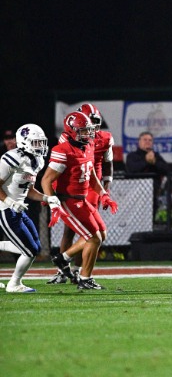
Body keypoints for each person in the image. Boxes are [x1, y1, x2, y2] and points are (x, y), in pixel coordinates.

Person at [42, 111, 118, 290]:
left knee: (102, 234)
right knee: (93, 238)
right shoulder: (63, 150)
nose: (88, 134)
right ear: (71, 130)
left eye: (89, 130)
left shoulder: (89, 146)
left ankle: (64, 258)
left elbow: (92, 177)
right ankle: (85, 279)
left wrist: (104, 195)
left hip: (82, 199)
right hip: (68, 200)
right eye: (83, 130)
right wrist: (53, 204)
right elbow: (46, 180)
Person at [0, 125, 62, 292]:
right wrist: (11, 202)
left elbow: (29, 190)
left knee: (34, 246)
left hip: (19, 209)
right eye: (35, 142)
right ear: (24, 142)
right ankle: (14, 284)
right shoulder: (12, 158)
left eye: (41, 142)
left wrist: (47, 198)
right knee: (30, 250)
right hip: (5, 209)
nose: (40, 146)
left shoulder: (37, 160)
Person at [126, 131, 170, 218]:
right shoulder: (132, 156)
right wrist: (146, 161)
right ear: (139, 142)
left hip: (153, 193)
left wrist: (155, 162)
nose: (147, 142)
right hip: (135, 194)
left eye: (150, 140)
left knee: (151, 217)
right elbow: (131, 170)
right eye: (145, 140)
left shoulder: (156, 156)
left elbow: (167, 169)